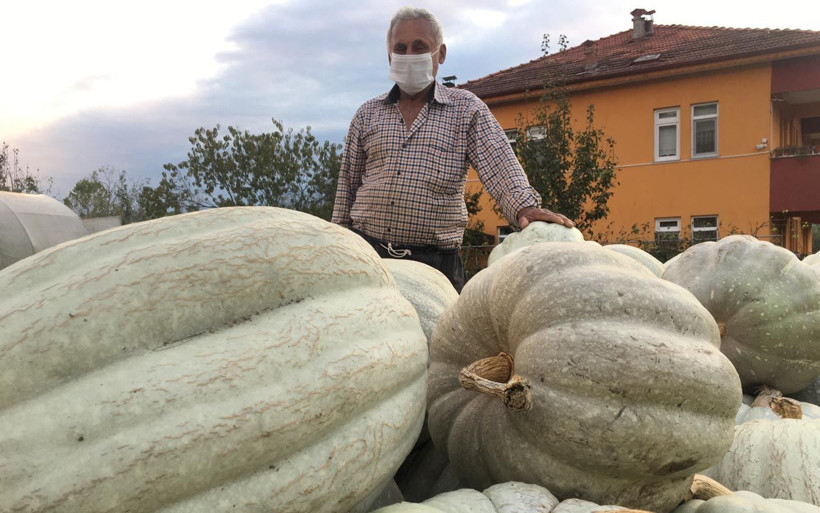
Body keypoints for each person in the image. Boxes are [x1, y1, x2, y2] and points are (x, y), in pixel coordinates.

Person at [331, 6, 574, 292]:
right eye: (401, 48)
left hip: (435, 267)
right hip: (367, 258)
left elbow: (498, 161)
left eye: (420, 47)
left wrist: (525, 207)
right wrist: (336, 245)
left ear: (441, 53)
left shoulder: (466, 109)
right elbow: (346, 188)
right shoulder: (367, 113)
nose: (409, 55)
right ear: (389, 56)